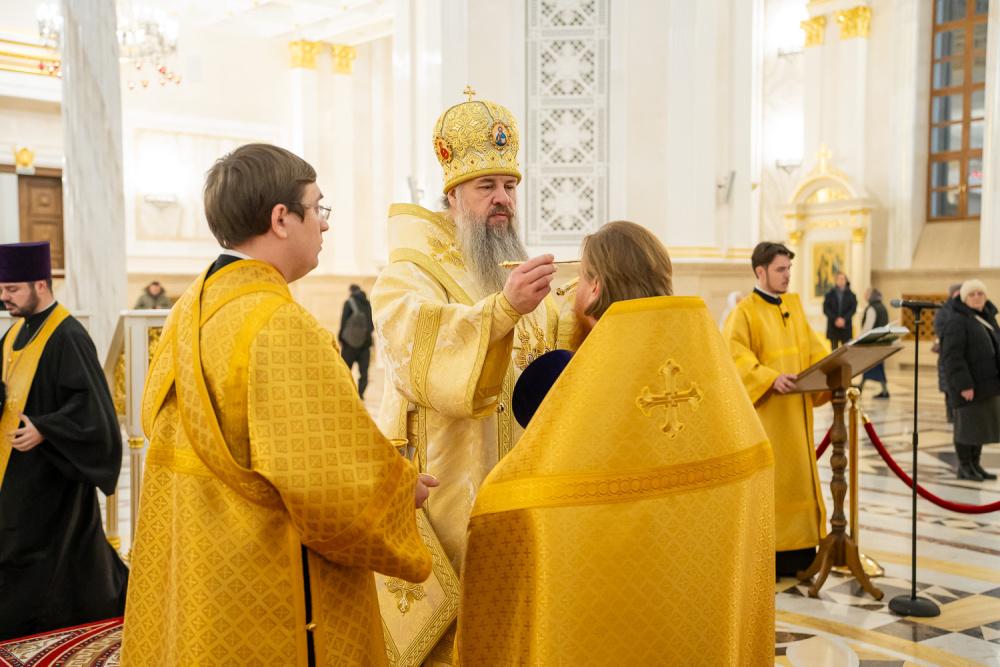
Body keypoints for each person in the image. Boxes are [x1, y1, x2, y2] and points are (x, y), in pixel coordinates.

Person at [121, 144, 435, 666]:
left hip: (200, 562)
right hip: (270, 582)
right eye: (318, 207)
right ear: (281, 218)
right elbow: (327, 483)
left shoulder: (187, 310)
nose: (325, 223)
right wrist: (401, 492)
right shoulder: (277, 325)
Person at [457, 221, 775, 665]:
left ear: (595, 286)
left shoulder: (595, 377)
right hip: (694, 603)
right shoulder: (703, 355)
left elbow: (520, 500)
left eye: (582, 276)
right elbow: (754, 461)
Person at [372, 91, 558, 574]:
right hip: (448, 476)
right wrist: (501, 311)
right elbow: (412, 344)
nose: (503, 199)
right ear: (453, 195)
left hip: (519, 474)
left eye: (510, 186)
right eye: (486, 186)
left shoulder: (508, 265)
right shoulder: (411, 270)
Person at [0, 241, 127, 640]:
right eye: (2, 289)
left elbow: (94, 411)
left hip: (50, 472)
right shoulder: (14, 331)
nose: (4, 298)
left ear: (41, 284)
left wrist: (45, 428)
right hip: (14, 469)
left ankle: (38, 630)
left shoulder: (68, 335)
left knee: (40, 555)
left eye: (12, 289)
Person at [723, 241, 829, 577]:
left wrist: (831, 369)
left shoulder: (793, 307)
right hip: (768, 418)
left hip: (798, 415)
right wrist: (769, 378)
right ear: (760, 271)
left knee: (798, 480)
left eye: (788, 269)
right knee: (775, 484)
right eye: (780, 269)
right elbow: (734, 358)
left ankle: (803, 552)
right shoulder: (744, 312)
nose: (786, 275)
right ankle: (773, 556)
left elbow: (815, 349)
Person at [940, 279, 1000, 482]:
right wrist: (964, 385)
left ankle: (975, 464)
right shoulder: (957, 321)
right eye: (972, 294)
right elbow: (952, 357)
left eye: (980, 294)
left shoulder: (987, 318)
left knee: (980, 427)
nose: (976, 297)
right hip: (968, 386)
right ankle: (964, 466)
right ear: (964, 298)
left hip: (986, 385)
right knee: (966, 427)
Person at [338, 283, 374, 398]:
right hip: (365, 343)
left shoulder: (349, 302)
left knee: (345, 370)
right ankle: (360, 395)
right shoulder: (368, 304)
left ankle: (346, 393)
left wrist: (341, 337)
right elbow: (372, 324)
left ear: (351, 291)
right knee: (364, 372)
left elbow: (343, 322)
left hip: (349, 343)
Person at [934, 283, 963, 423]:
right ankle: (951, 415)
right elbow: (940, 330)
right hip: (948, 354)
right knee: (949, 389)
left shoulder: (965, 308)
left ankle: (957, 415)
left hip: (960, 356)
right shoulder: (945, 310)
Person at [859, 287, 890, 398]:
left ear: (870, 296)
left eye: (866, 293)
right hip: (881, 342)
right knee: (877, 367)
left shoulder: (871, 308)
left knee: (871, 366)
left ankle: (862, 387)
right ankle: (883, 390)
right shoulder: (883, 307)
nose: (865, 295)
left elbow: (868, 327)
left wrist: (860, 340)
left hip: (872, 343)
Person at [823, 272, 857, 348]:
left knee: (846, 350)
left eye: (843, 279)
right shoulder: (829, 294)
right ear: (836, 281)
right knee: (834, 350)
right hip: (833, 325)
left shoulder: (851, 295)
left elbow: (853, 309)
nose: (841, 281)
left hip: (846, 326)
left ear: (846, 280)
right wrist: (835, 319)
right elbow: (826, 309)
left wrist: (844, 320)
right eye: (839, 279)